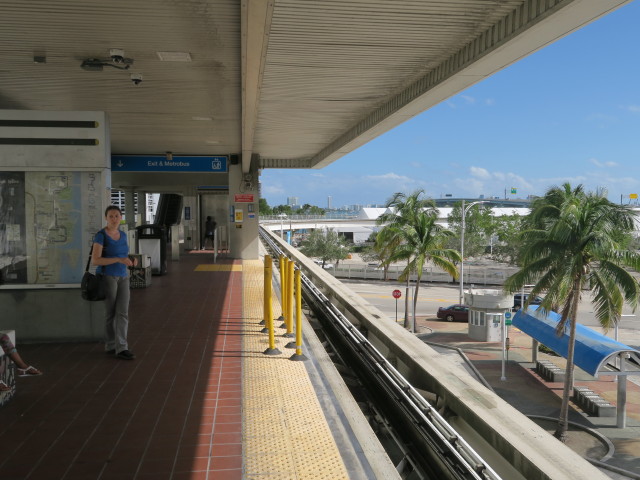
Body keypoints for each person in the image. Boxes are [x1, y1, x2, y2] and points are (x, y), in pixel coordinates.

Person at [92, 206, 137, 360]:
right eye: (111, 216)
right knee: (110, 313)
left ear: (121, 217)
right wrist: (118, 259)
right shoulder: (101, 236)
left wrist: (131, 259)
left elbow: (123, 254)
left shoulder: (123, 235)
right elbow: (96, 260)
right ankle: (111, 344)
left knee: (123, 312)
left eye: (117, 216)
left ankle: (122, 347)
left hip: (124, 276)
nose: (114, 219)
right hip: (108, 276)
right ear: (106, 218)